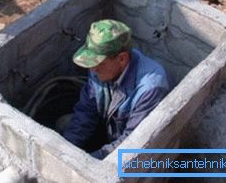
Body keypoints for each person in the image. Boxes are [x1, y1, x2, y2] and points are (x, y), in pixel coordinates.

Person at [63, 19, 171, 159]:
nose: (92, 68)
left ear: (122, 58)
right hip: (108, 132)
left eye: (98, 63)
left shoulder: (149, 89)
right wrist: (66, 152)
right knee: (64, 125)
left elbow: (131, 143)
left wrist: (90, 162)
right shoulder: (99, 69)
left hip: (131, 149)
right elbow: (86, 112)